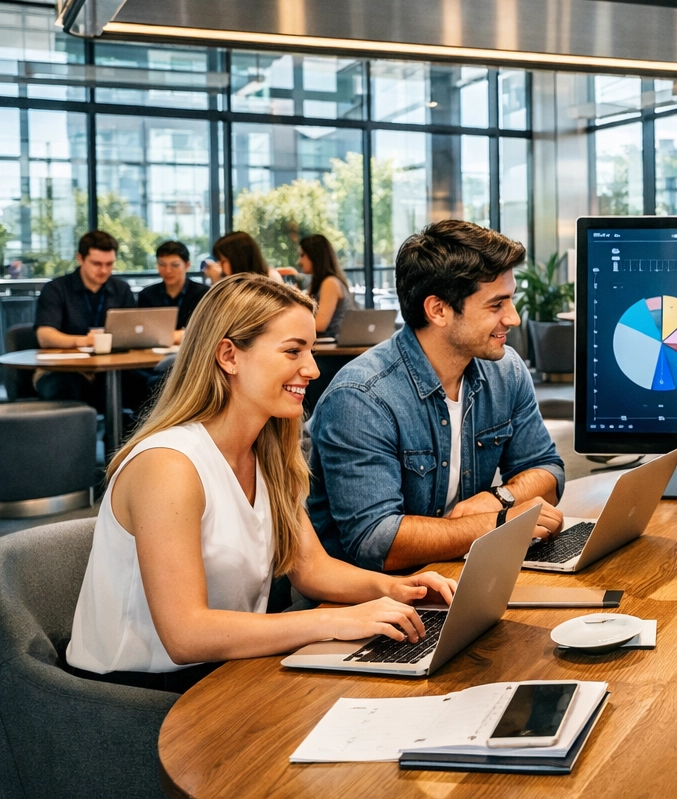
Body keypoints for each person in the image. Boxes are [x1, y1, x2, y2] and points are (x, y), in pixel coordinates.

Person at [66, 274, 456, 693]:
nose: (311, 369)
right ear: (229, 356)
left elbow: (311, 568)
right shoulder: (168, 465)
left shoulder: (268, 452)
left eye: (309, 350)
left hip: (224, 669)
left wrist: (398, 589)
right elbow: (185, 635)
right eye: (292, 351)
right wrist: (331, 621)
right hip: (135, 694)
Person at [309, 220, 564, 571]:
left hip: (457, 573)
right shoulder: (362, 397)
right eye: (496, 305)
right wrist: (499, 523)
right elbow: (375, 540)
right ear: (439, 310)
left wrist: (500, 497)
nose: (514, 318)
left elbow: (548, 470)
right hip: (373, 602)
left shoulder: (505, 370)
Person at [33, 230, 137, 406]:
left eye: (109, 264)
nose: (104, 270)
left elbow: (134, 332)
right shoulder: (56, 289)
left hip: (112, 369)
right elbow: (45, 336)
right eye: (96, 263)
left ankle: (118, 433)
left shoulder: (121, 290)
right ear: (80, 258)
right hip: (63, 370)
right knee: (67, 388)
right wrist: (86, 341)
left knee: (148, 386)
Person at [137, 239, 211, 344]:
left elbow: (207, 329)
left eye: (175, 265)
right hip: (154, 351)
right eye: (162, 264)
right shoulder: (147, 294)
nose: (168, 270)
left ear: (187, 265)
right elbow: (142, 331)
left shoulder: (203, 293)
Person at [298, 234, 355, 339]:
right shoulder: (327, 282)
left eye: (302, 256)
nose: (299, 262)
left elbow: (320, 325)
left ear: (314, 256)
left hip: (332, 349)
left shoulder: (330, 283)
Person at [212, 231, 284, 283]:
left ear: (238, 260)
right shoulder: (240, 282)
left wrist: (215, 280)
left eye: (223, 261)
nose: (219, 265)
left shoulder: (269, 281)